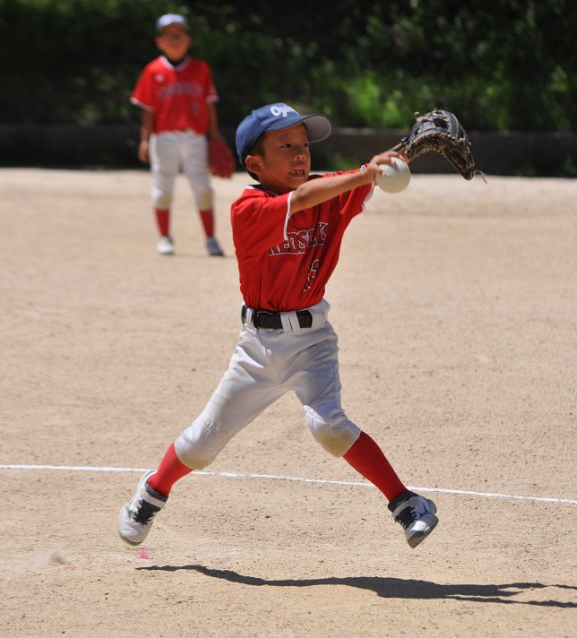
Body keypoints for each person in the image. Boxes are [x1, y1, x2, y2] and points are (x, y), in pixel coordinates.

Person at [118, 102, 439, 549]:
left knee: (330, 428)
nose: (300, 153)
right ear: (255, 164)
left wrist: (405, 151)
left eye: (304, 144)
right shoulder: (249, 208)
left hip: (312, 341)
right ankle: (153, 491)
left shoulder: (328, 189)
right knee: (201, 445)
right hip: (257, 349)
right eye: (285, 146)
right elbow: (308, 198)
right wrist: (365, 173)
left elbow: (368, 173)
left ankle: (406, 503)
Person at [130, 13, 225, 257]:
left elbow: (209, 105)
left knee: (203, 188)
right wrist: (144, 140)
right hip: (164, 137)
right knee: (163, 188)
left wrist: (214, 136)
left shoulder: (200, 69)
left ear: (188, 39)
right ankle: (164, 237)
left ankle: (211, 238)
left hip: (194, 138)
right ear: (159, 41)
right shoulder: (152, 70)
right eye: (169, 35)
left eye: (179, 34)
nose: (175, 39)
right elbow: (148, 110)